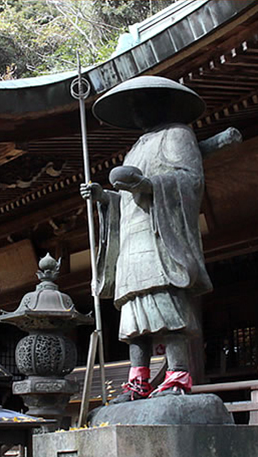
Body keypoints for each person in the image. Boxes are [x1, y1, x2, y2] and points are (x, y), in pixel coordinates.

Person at [81, 76, 211, 401]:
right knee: (133, 315)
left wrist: (148, 185)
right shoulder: (136, 147)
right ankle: (138, 380)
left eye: (142, 105)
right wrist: (104, 198)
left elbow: (189, 181)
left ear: (160, 103)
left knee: (166, 306)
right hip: (132, 240)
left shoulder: (178, 134)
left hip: (159, 235)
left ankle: (178, 374)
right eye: (133, 108)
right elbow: (125, 200)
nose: (137, 113)